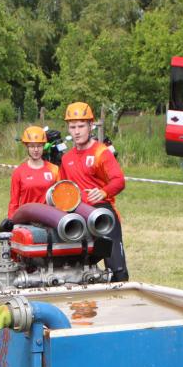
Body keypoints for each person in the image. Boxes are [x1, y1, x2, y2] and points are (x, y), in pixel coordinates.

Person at [60, 101, 128, 281]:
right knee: (74, 268)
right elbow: (63, 189)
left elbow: (119, 181)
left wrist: (104, 192)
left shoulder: (101, 152)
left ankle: (119, 287)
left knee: (117, 270)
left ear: (91, 126)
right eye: (72, 127)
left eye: (81, 126)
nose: (77, 131)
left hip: (101, 213)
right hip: (76, 215)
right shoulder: (66, 159)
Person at [8, 126, 62, 215]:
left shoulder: (54, 170)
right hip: (26, 218)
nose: (36, 150)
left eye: (39, 146)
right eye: (32, 146)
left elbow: (60, 197)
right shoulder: (19, 172)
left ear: (43, 146)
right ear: (26, 146)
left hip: (48, 218)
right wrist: (11, 220)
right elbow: (14, 202)